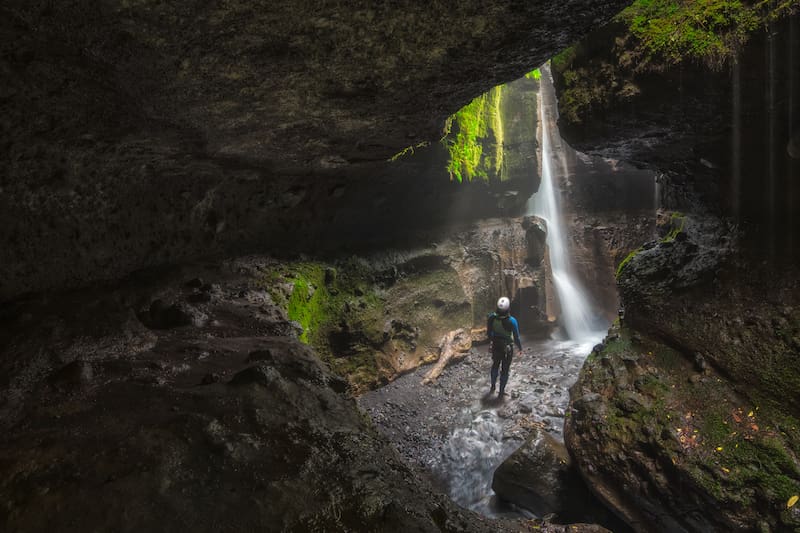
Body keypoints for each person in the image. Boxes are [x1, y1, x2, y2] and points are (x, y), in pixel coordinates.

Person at [486, 296, 522, 397]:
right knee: (505, 370)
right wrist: (520, 348)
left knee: (495, 365)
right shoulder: (512, 321)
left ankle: (492, 386)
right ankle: (501, 392)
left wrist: (492, 341)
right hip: (507, 348)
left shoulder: (491, 317)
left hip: (496, 345)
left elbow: (489, 333)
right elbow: (516, 337)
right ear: (508, 308)